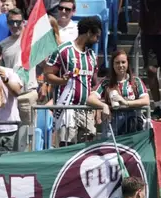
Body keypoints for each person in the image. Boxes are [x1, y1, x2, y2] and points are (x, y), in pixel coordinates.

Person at [44, 16, 111, 146]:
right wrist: (62, 81)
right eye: (96, 36)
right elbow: (47, 75)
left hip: (86, 110)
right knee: (66, 148)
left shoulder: (92, 56)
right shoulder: (63, 50)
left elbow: (93, 84)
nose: (97, 40)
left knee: (86, 149)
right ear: (89, 32)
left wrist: (97, 106)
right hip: (67, 109)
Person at [94, 50, 150, 135]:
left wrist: (126, 102)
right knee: (110, 148)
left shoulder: (136, 81)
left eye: (123, 62)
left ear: (128, 63)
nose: (120, 65)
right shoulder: (106, 82)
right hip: (111, 127)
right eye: (117, 63)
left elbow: (146, 100)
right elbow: (90, 98)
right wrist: (103, 105)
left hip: (132, 126)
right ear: (112, 65)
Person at [0, 8, 39, 127]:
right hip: (9, 96)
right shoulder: (2, 45)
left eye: (18, 22)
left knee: (28, 135)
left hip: (27, 94)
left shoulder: (33, 40)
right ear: (7, 24)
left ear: (23, 22)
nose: (15, 25)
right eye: (11, 22)